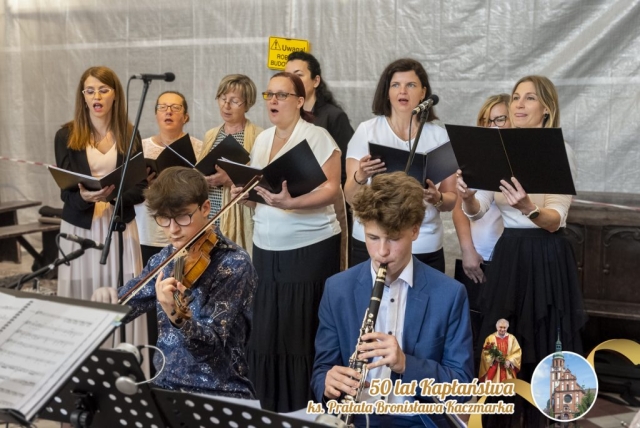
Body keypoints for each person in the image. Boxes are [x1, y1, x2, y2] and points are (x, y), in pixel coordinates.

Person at [312, 172, 474, 428]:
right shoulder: (337, 289)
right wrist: (328, 383)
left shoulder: (450, 294)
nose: (382, 252)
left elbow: (461, 388)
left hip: (420, 421)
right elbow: (321, 371)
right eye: (373, 238)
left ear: (415, 230)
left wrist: (406, 364)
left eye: (394, 238)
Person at [456, 76, 587, 384]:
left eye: (529, 98)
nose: (519, 104)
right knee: (503, 339)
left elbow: (556, 219)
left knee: (543, 336)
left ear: (547, 108)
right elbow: (478, 209)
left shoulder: (559, 150)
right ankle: (505, 406)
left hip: (547, 254)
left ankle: (539, 403)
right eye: (516, 97)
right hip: (509, 253)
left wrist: (529, 208)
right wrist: (468, 196)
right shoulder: (498, 149)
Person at [92, 167, 258, 398]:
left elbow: (210, 349)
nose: (173, 230)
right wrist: (107, 300)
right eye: (164, 219)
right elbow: (128, 304)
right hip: (165, 384)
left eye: (182, 217)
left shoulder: (234, 264)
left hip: (217, 390)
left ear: (205, 208)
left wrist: (178, 317)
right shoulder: (166, 258)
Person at [231, 72, 341, 412]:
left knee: (298, 330)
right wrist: (245, 195)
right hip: (266, 247)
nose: (273, 101)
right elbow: (261, 194)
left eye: (282, 95)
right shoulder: (263, 139)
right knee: (266, 330)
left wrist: (292, 203)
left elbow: (332, 189)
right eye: (270, 95)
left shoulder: (317, 135)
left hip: (309, 248)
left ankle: (304, 407)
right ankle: (269, 405)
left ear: (300, 100)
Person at [344, 58, 456, 271]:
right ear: (387, 92)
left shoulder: (439, 137)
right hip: (375, 243)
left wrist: (437, 198)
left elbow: (451, 201)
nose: (402, 91)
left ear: (423, 93)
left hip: (423, 241)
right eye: (396, 85)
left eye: (411, 85)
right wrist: (360, 176)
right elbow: (350, 197)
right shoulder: (367, 131)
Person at [451, 94, 508, 361]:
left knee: (504, 336)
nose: (492, 126)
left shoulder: (521, 160)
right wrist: (468, 251)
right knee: (476, 333)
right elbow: (460, 208)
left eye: (500, 119)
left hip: (508, 259)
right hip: (478, 257)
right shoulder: (475, 159)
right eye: (486, 121)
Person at [286, 52, 354, 269]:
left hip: (328, 206)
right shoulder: (286, 117)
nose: (292, 81)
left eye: (298, 75)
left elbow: (346, 167)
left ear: (316, 81)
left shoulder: (333, 116)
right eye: (288, 76)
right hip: (293, 205)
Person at [135, 91, 203, 265]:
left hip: (184, 232)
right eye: (162, 107)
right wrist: (143, 183)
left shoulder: (199, 148)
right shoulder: (140, 147)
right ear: (156, 115)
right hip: (147, 232)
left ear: (185, 117)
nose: (168, 111)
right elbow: (129, 189)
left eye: (175, 108)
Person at [198, 74, 262, 257]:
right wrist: (202, 179)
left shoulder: (259, 136)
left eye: (234, 101)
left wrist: (230, 179)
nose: (226, 106)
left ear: (247, 104)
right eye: (222, 98)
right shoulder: (211, 134)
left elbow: (262, 181)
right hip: (211, 212)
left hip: (241, 212)